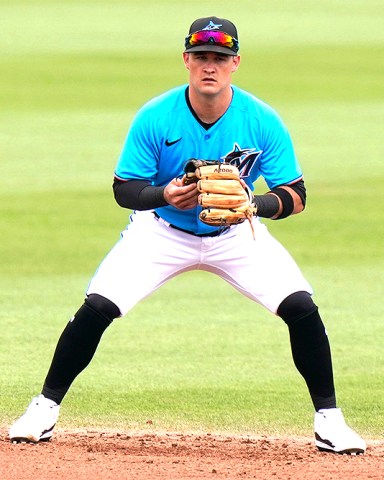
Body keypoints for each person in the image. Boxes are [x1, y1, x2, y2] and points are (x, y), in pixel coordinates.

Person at [9, 16, 366, 454]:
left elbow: (297, 195)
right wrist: (164, 194)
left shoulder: (261, 120)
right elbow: (124, 189)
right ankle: (43, 408)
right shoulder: (157, 116)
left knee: (301, 307)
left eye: (219, 57)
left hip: (237, 236)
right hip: (161, 232)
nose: (209, 65)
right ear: (186, 60)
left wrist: (253, 206)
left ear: (235, 62)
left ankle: (330, 421)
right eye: (201, 56)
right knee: (99, 306)